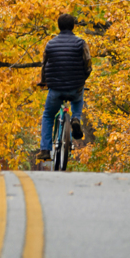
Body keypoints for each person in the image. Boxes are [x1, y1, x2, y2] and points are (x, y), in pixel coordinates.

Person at [36, 13, 92, 161]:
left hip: (55, 87)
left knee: (48, 115)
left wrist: (44, 81)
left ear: (59, 26)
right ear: (73, 26)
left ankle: (45, 150)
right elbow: (88, 64)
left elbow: (44, 65)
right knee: (78, 98)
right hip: (75, 86)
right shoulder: (81, 43)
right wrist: (83, 79)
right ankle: (76, 118)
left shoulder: (50, 44)